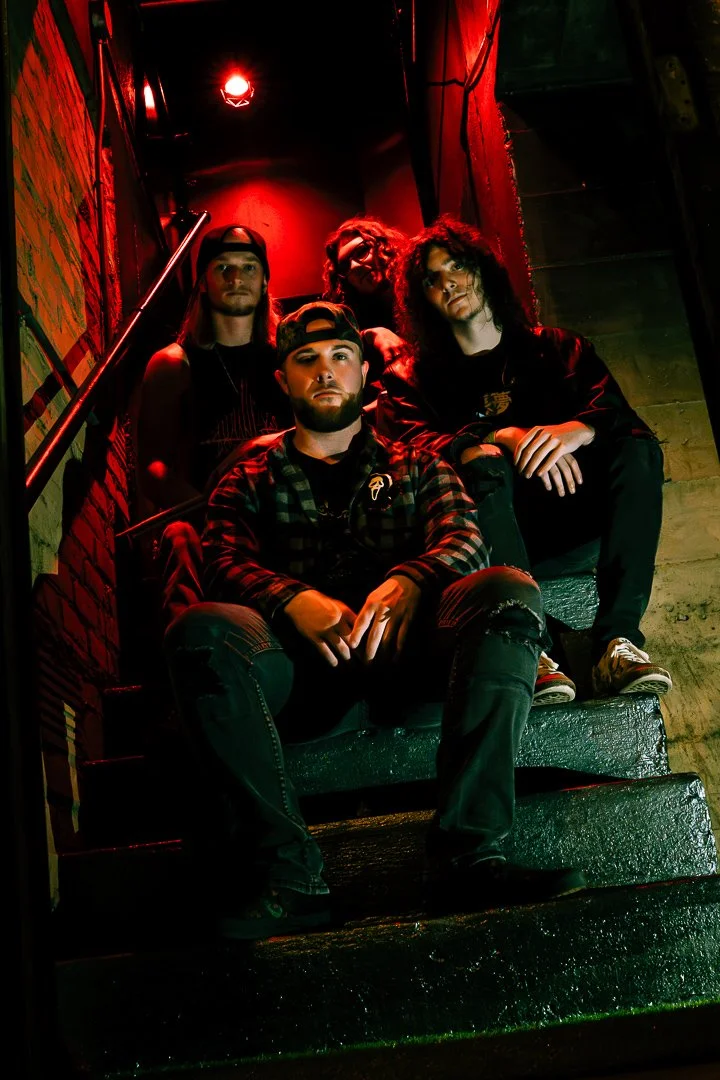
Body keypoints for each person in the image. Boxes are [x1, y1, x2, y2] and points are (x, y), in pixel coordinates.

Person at [163, 300, 587, 941]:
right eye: (306, 359)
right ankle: (289, 875)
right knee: (200, 629)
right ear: (283, 379)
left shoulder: (416, 463)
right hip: (299, 678)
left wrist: (411, 578)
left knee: (507, 590)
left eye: (340, 357)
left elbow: (466, 538)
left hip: (411, 663)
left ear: (363, 373)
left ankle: (470, 855)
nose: (324, 371)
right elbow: (222, 561)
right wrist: (291, 599)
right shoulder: (247, 478)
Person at [375, 213, 672, 701]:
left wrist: (575, 431)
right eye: (432, 278)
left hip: (575, 517)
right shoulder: (411, 379)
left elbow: (616, 414)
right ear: (422, 297)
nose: (449, 283)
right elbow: (411, 448)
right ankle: (534, 650)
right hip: (492, 533)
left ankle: (617, 642)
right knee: (481, 459)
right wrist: (502, 436)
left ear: (483, 270)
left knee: (638, 447)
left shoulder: (556, 349)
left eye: (458, 266)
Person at [136, 223, 291, 622]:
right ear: (203, 282)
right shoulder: (174, 363)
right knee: (179, 538)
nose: (236, 277)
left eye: (249, 267)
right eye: (223, 267)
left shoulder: (290, 359)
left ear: (265, 282)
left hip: (285, 520)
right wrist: (214, 510)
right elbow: (152, 468)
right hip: (206, 524)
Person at [322, 215, 408, 397]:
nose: (354, 266)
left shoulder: (419, 289)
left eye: (361, 251)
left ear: (383, 247)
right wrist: (371, 335)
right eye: (344, 265)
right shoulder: (350, 318)